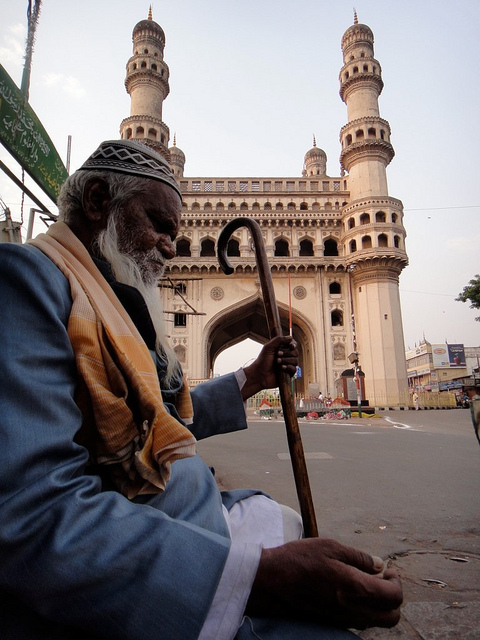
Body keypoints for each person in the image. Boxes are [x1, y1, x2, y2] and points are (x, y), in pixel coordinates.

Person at [0, 140, 402, 639]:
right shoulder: (27, 281)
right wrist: (260, 578)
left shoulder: (109, 302)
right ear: (100, 201)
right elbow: (31, 516)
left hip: (192, 521)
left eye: (177, 232)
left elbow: (162, 420)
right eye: (160, 224)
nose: (171, 246)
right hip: (154, 574)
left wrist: (252, 379)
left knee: (297, 535)